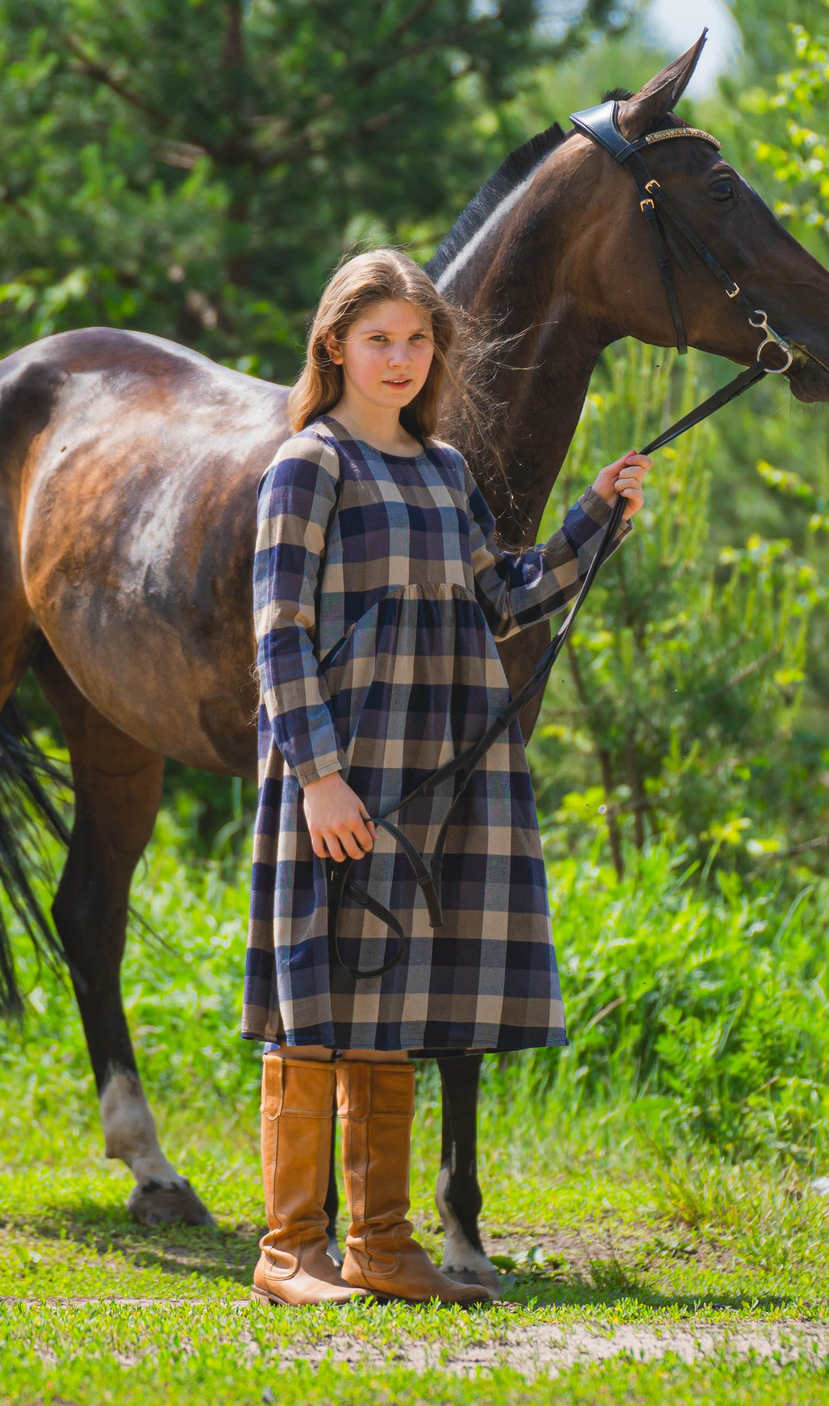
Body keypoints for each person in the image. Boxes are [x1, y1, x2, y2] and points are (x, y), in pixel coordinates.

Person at [243, 248, 652, 1307]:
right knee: (321, 998)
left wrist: (592, 518)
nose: (401, 359)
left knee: (392, 1001)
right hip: (344, 770)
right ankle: (291, 1250)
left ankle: (381, 1247)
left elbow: (501, 599)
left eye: (419, 340)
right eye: (379, 339)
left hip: (439, 772)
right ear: (333, 346)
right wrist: (319, 777)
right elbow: (278, 634)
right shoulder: (310, 464)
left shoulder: (444, 471)